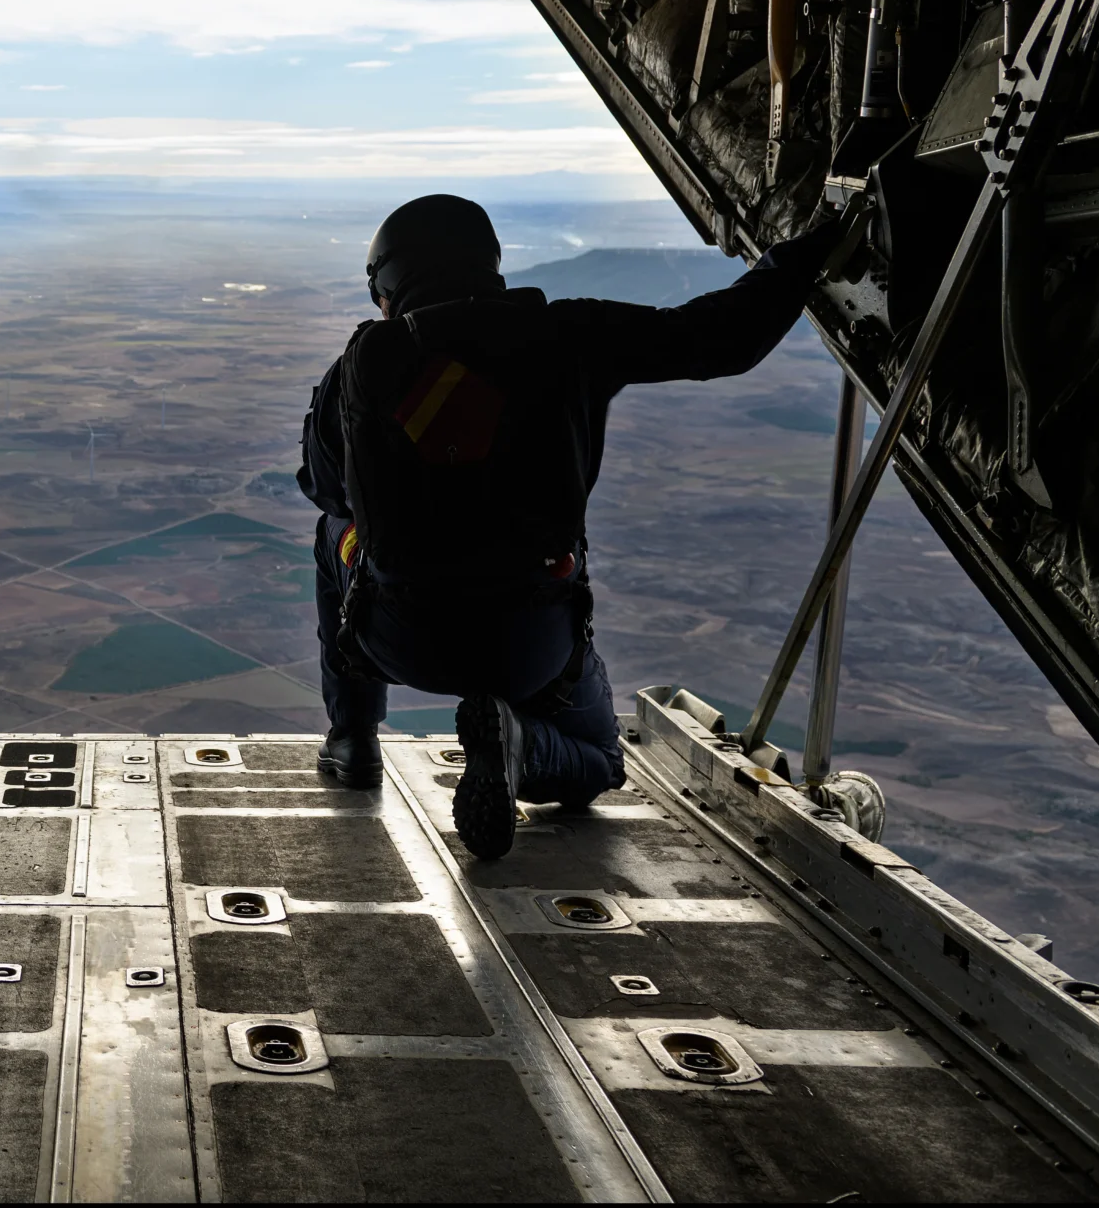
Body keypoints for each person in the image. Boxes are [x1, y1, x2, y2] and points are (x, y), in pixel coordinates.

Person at [298, 193, 848, 858]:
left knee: (335, 530)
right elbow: (723, 336)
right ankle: (522, 747)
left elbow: (325, 489)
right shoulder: (569, 336)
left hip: (402, 634)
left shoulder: (361, 366)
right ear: (489, 267)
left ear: (387, 285)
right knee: (598, 759)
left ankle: (353, 740)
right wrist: (814, 243)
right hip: (532, 643)